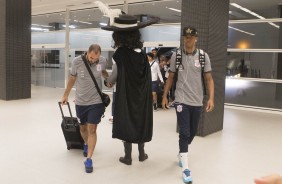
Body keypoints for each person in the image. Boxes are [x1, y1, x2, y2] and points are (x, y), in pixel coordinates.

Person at [96, 4, 158, 165]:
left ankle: (128, 156)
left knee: (127, 121)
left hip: (127, 95)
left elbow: (115, 75)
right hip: (142, 96)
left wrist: (107, 81)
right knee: (140, 121)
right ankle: (142, 154)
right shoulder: (143, 54)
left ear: (120, 37)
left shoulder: (120, 54)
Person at [162, 26, 214, 183]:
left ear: (196, 38)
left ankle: (181, 152)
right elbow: (170, 78)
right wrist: (164, 96)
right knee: (184, 132)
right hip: (181, 100)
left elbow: (209, 79)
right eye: (185, 37)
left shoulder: (203, 57)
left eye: (191, 37)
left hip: (197, 101)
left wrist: (211, 98)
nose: (188, 39)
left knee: (192, 132)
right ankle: (186, 169)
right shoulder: (176, 56)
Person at [61, 44, 109, 173]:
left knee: (92, 129)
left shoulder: (103, 60)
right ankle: (86, 144)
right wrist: (65, 95)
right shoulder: (77, 61)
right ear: (87, 53)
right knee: (83, 128)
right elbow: (72, 78)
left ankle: (89, 159)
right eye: (91, 58)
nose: (93, 60)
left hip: (96, 102)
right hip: (81, 102)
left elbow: (103, 72)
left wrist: (108, 79)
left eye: (96, 58)